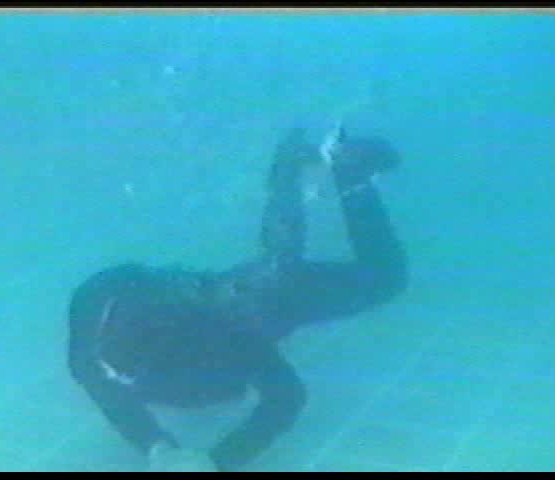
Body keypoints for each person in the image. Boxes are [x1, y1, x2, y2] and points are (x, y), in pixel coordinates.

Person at [67, 121, 408, 472]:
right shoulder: (94, 338)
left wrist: (216, 460)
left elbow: (286, 395)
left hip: (251, 307)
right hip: (200, 300)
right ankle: (318, 168)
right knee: (276, 272)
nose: (111, 377)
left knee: (310, 274)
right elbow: (103, 363)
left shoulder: (232, 341)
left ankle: (311, 166)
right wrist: (165, 450)